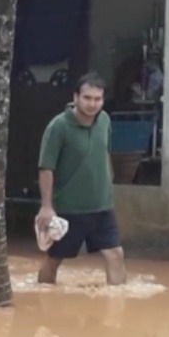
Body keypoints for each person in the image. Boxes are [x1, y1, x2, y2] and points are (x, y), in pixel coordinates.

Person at [35, 73, 127, 286]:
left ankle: (119, 310)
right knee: (55, 259)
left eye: (97, 99)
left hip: (102, 206)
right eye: (87, 98)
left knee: (115, 254)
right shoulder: (58, 127)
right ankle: (42, 297)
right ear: (75, 97)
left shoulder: (105, 120)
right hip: (69, 208)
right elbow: (46, 168)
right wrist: (47, 207)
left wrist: (109, 184)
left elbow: (105, 153)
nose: (92, 104)